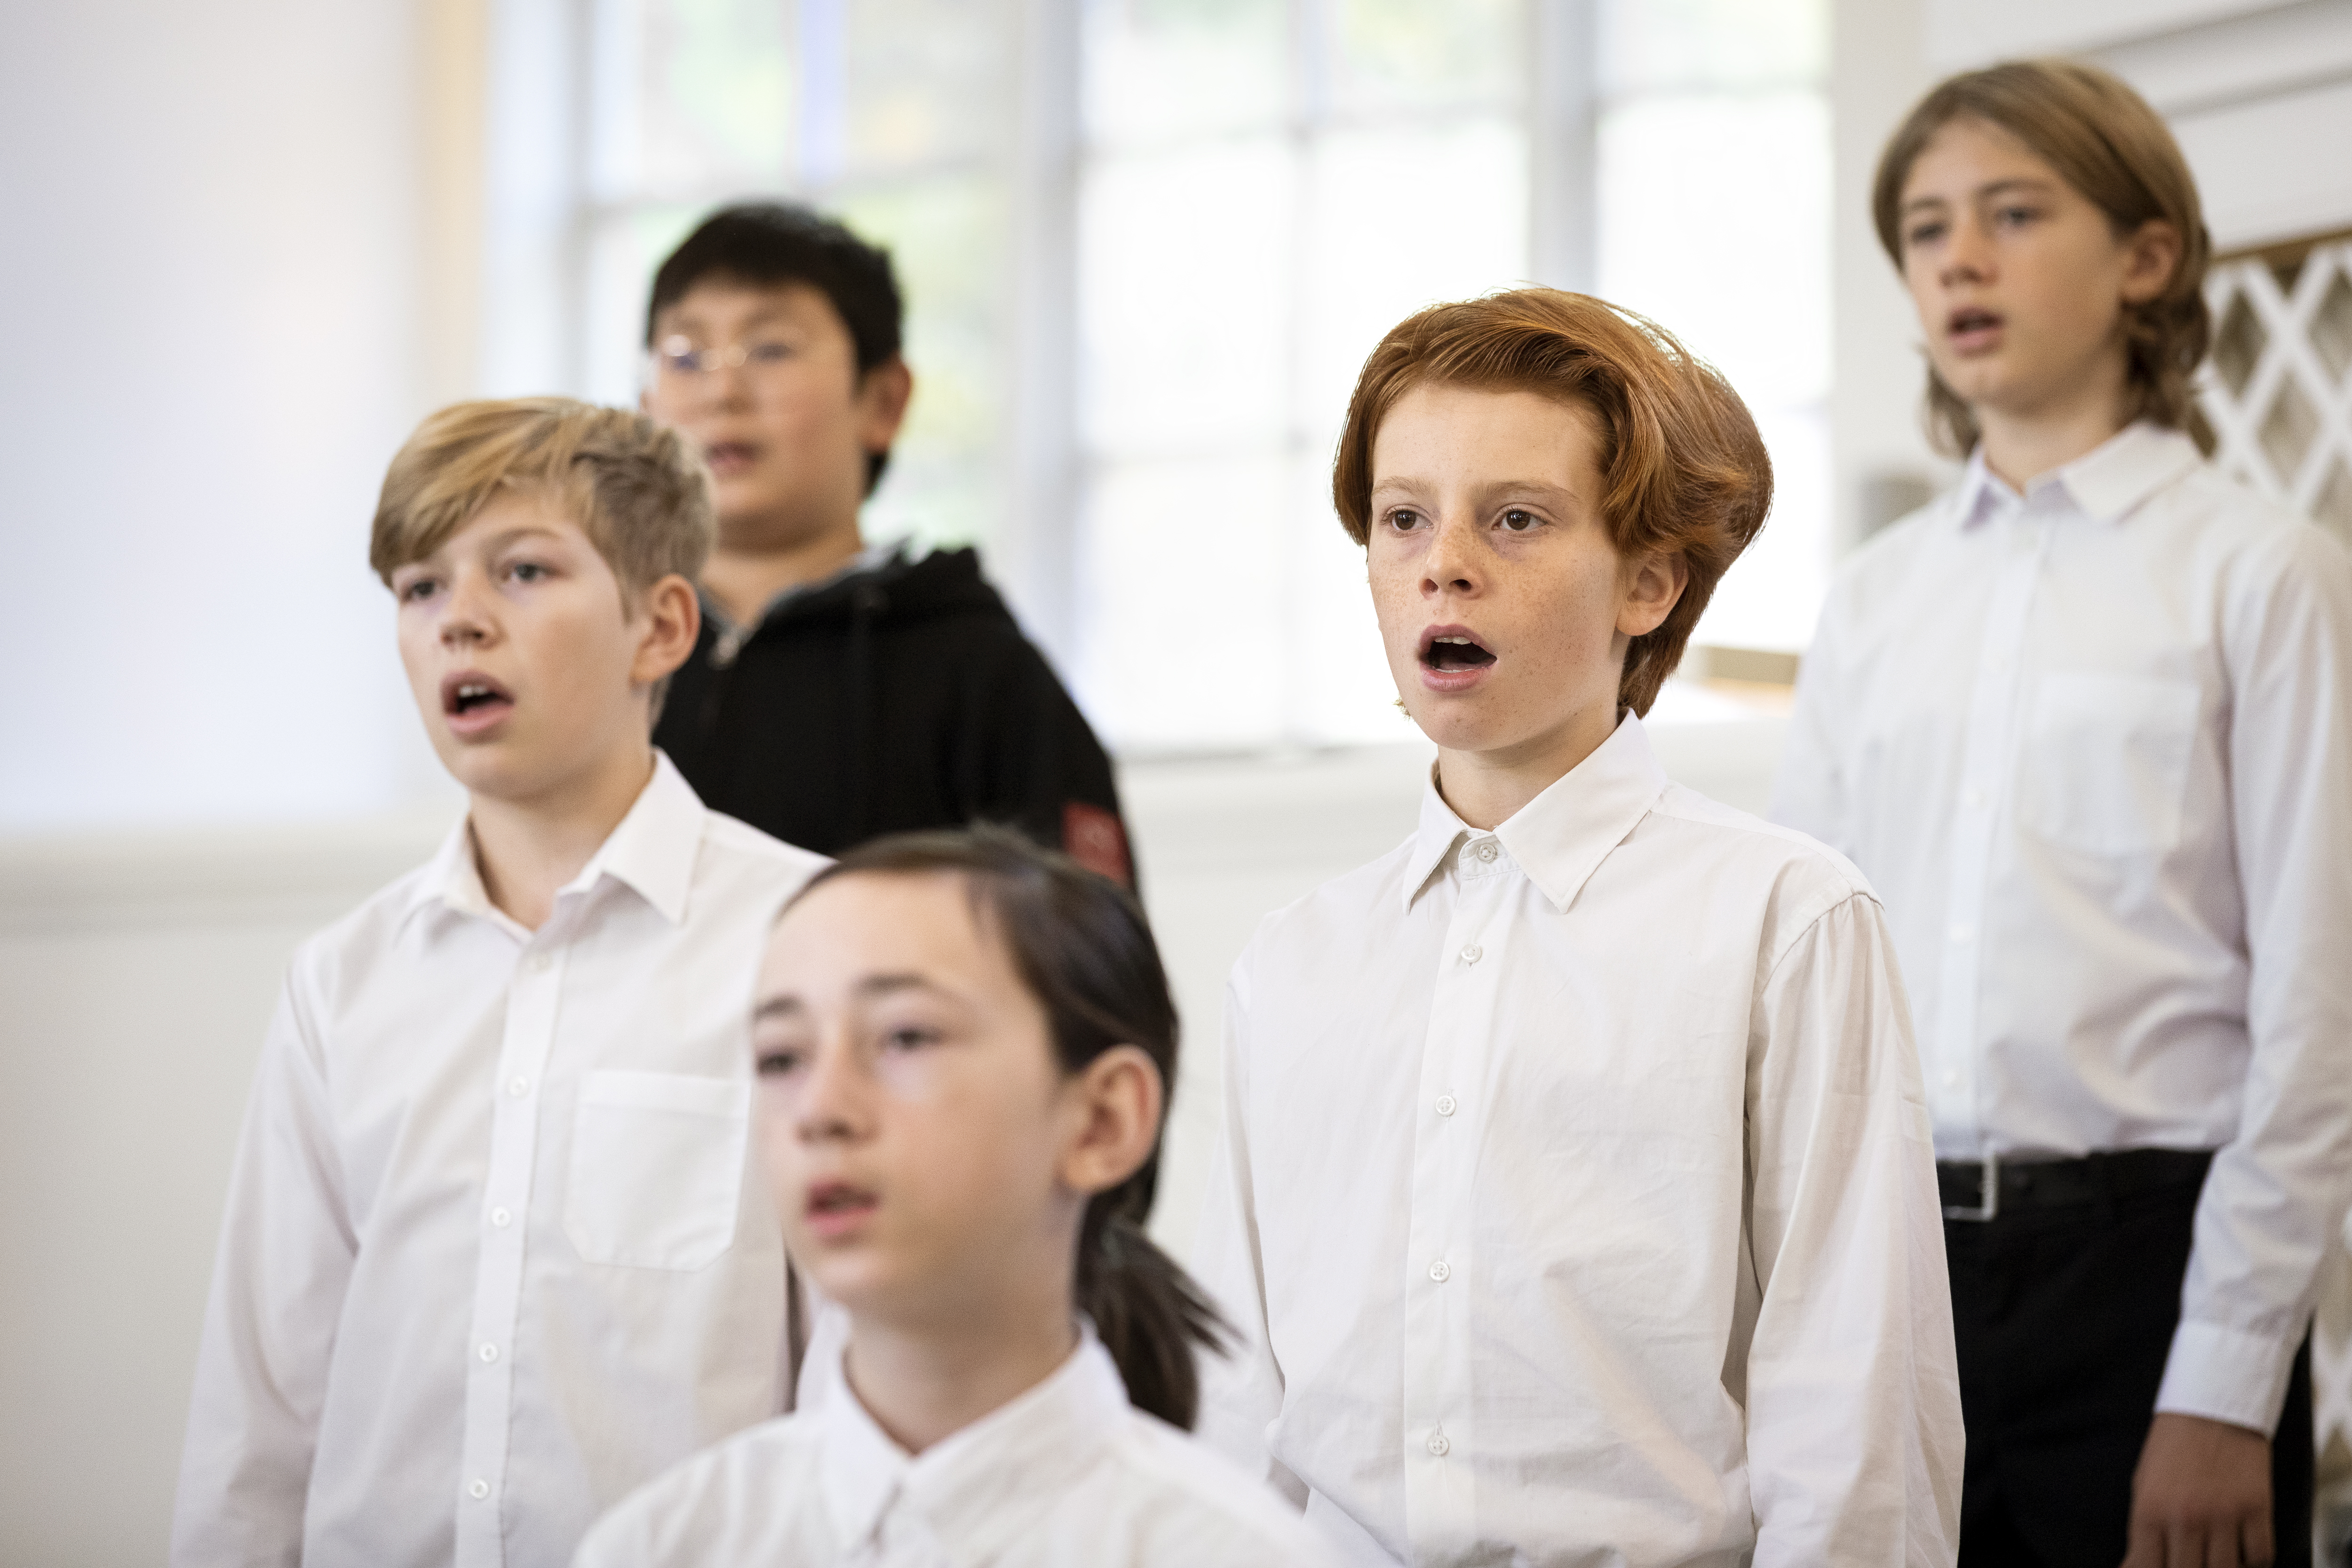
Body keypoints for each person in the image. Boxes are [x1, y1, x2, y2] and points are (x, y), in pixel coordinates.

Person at [1193, 288, 1963, 1565]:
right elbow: (1236, 1406)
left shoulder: (1785, 918)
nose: (1444, 560)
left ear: (1649, 582)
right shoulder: (1292, 961)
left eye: (1517, 518)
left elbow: (1858, 1412)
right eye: (1403, 518)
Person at [1773, 59, 2352, 1568]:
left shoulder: (2263, 574)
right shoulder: (1873, 603)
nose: (1958, 256)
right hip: (1895, 1278)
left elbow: (2321, 1004)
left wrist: (2226, 1383)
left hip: (2151, 1279)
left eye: (2013, 213)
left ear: (2146, 258)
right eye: (1923, 228)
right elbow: (1806, 984)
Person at [170, 399, 829, 1568]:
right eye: (419, 589)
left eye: (522, 571)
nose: (459, 621)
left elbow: (855, 1376)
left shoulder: (808, 940)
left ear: (660, 626)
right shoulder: (343, 979)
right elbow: (262, 1408)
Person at [574, 828, 1337, 1566]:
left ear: (1103, 1119)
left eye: (906, 1038)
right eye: (782, 1056)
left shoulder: (1236, 1553)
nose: (821, 1110)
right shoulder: (664, 1545)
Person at [639, 203, 1133, 881]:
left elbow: (1088, 959)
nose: (723, 390)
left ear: (883, 400)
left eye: (772, 348)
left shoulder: (982, 673)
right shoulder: (609, 654)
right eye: (685, 356)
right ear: (646, 408)